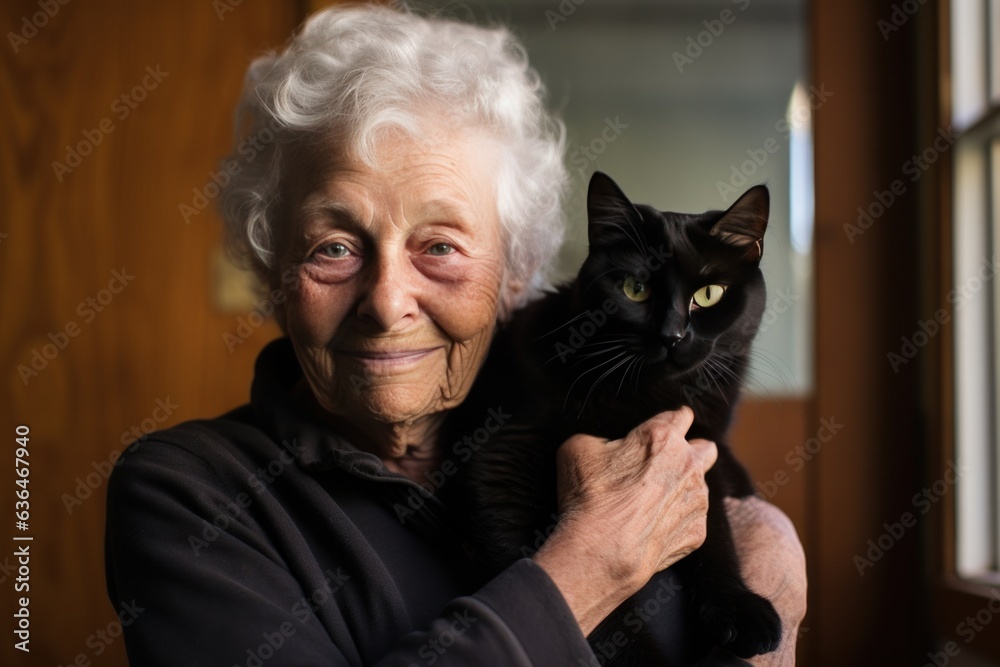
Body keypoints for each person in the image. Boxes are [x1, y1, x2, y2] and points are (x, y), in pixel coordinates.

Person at [104, 5, 806, 666]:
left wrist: (765, 553)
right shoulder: (189, 494)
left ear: (516, 270)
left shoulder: (596, 415)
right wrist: (589, 563)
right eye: (334, 247)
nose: (386, 303)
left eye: (438, 247)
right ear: (272, 268)